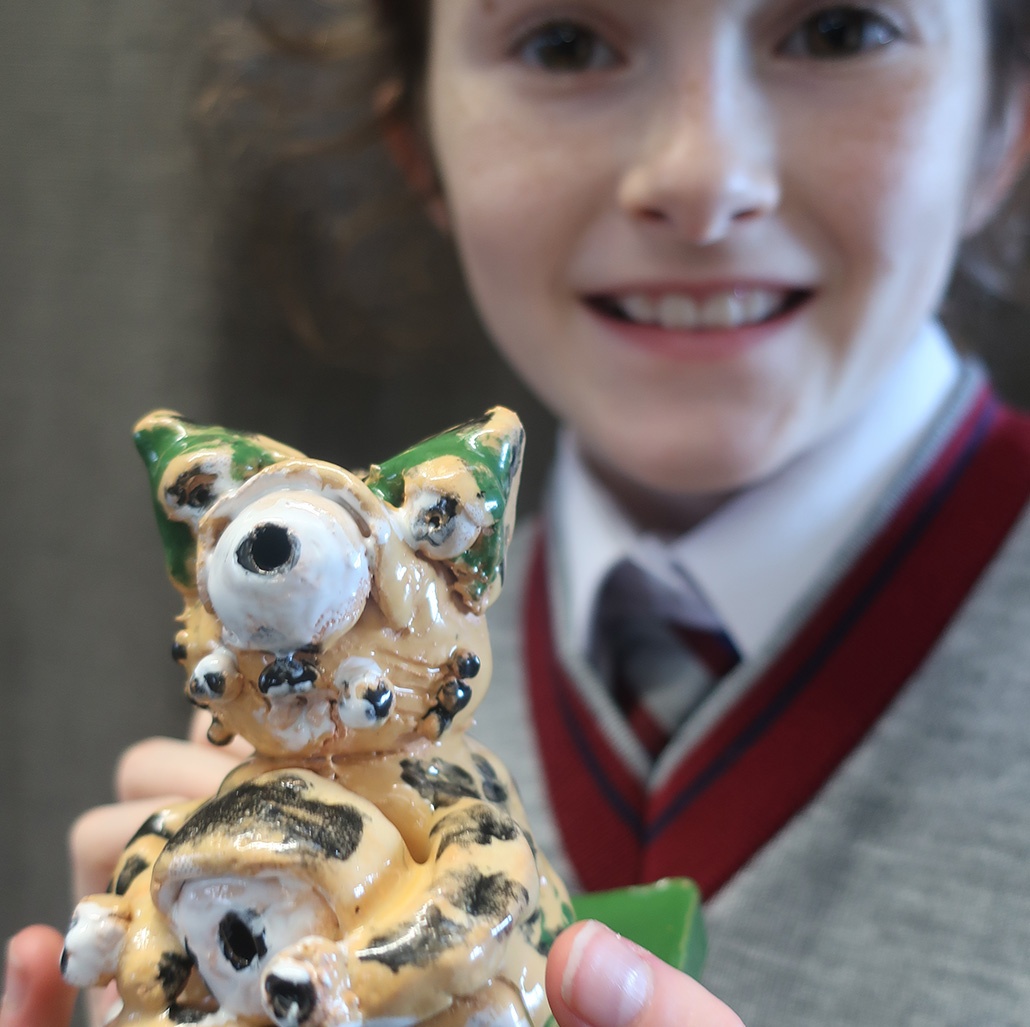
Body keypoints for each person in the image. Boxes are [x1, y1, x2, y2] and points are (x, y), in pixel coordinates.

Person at [5, 1, 1030, 1024]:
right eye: (565, 44)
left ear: (1006, 121)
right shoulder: (268, 716)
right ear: (419, 142)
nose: (700, 180)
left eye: (841, 30)